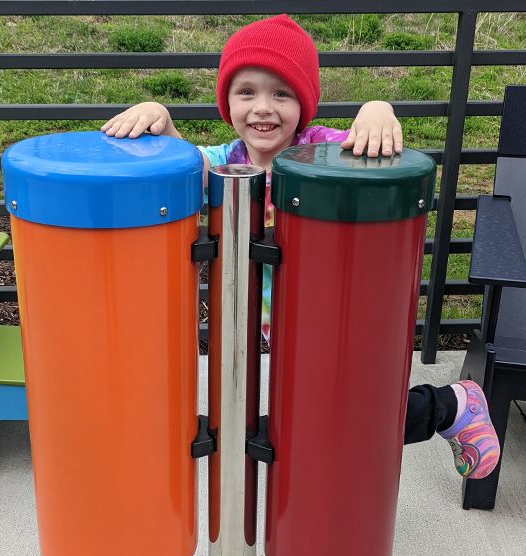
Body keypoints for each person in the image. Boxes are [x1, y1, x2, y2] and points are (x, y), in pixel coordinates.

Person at [102, 14, 500, 480]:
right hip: (267, 328)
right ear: (226, 101)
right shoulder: (224, 163)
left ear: (304, 104)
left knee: (356, 418)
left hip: (331, 326)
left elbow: (371, 151)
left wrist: (377, 108)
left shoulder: (324, 154)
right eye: (246, 92)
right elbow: (184, 166)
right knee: (281, 421)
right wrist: (160, 120)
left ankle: (452, 405)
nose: (262, 108)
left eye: (281, 94)